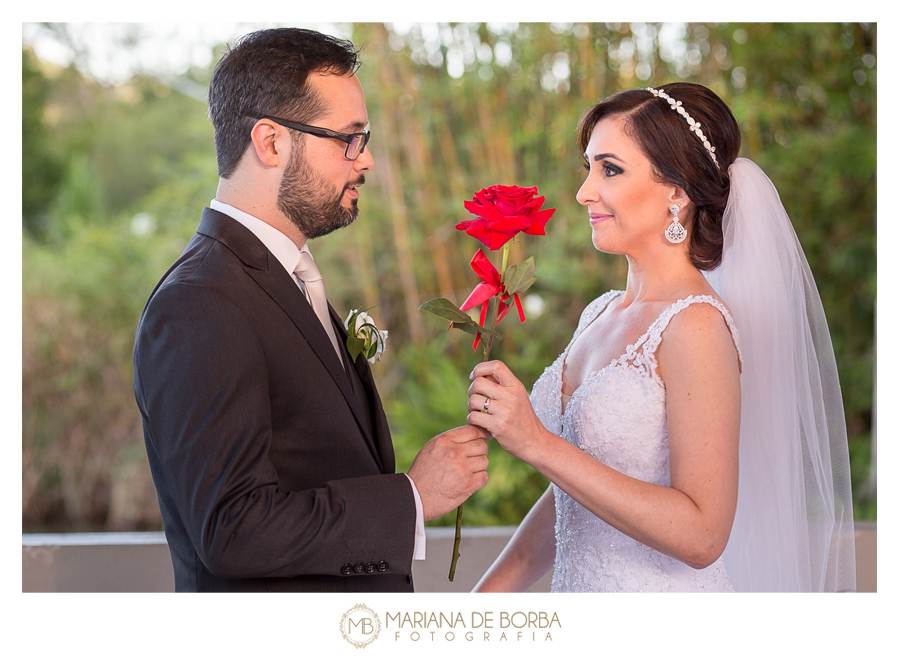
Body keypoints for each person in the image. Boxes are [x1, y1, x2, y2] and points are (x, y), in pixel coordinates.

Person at [132, 28, 490, 593]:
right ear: (270, 142)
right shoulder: (200, 302)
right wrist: (412, 497)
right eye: (348, 138)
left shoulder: (285, 279)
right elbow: (234, 530)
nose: (365, 159)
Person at [467, 82, 856, 593]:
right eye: (588, 168)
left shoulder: (695, 325)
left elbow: (703, 535)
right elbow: (572, 500)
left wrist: (538, 444)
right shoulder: (600, 313)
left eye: (610, 169)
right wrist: (479, 607)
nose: (584, 191)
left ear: (677, 190)